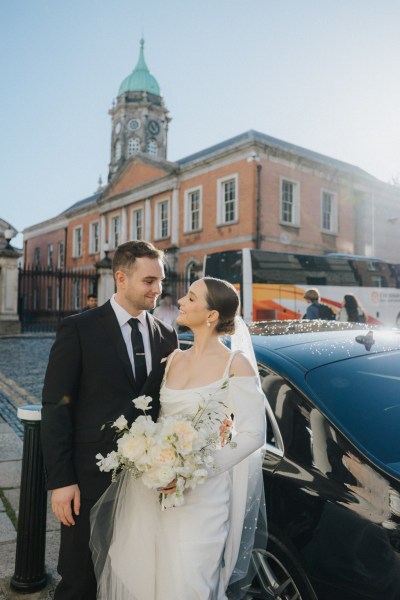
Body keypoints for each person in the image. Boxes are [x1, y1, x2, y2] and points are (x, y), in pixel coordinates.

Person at [90, 276, 267, 600]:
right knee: (148, 579)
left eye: (191, 297)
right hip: (152, 491)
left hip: (204, 495)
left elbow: (254, 433)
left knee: (191, 582)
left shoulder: (235, 364)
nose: (181, 302)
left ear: (211, 315)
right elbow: (155, 419)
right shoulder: (173, 359)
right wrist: (146, 452)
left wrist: (192, 469)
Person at [41, 240, 178, 600]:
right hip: (87, 480)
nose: (158, 289)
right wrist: (61, 480)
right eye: (149, 281)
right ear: (121, 277)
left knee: (134, 576)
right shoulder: (79, 328)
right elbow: (56, 407)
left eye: (160, 280)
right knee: (79, 579)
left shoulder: (166, 335)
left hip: (145, 482)